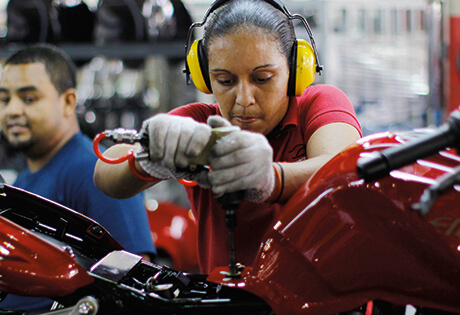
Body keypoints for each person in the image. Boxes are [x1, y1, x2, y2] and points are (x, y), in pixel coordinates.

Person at [94, 0, 362, 275]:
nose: (244, 100)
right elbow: (105, 174)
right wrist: (151, 158)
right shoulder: (198, 124)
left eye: (262, 79)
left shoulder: (318, 104)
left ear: (296, 69)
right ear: (204, 77)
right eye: (225, 81)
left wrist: (269, 178)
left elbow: (343, 170)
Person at [0, 44, 156, 313]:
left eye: (28, 98)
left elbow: (136, 282)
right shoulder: (26, 179)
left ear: (68, 101)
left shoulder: (93, 171)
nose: (12, 110)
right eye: (4, 99)